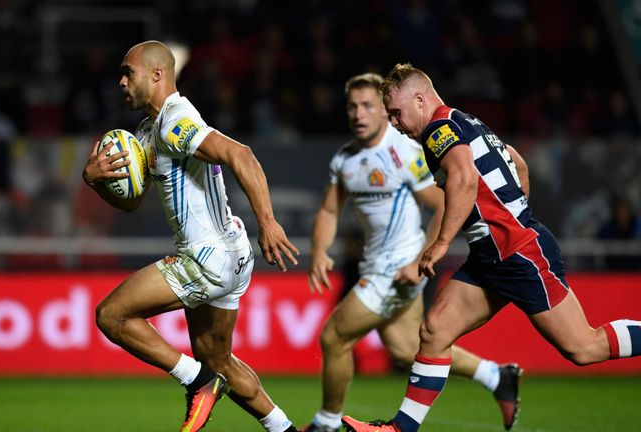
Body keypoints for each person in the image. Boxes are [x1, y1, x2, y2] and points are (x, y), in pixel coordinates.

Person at [341, 63, 641, 432]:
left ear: (419, 100)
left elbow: (465, 180)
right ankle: (399, 429)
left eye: (396, 113)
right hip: (493, 253)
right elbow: (518, 163)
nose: (395, 123)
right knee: (434, 330)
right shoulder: (466, 121)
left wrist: (442, 242)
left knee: (583, 347)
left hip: (518, 253)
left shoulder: (437, 129)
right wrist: (512, 214)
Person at [83, 41, 301, 432]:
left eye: (127, 72)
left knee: (111, 315)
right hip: (233, 255)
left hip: (205, 259)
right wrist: (96, 182)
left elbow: (242, 154)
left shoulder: (174, 121)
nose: (120, 81)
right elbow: (132, 204)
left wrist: (268, 221)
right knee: (220, 361)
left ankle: (198, 382)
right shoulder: (151, 129)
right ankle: (283, 428)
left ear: (156, 75)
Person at [304, 73, 521, 432]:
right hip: (375, 264)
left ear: (384, 111)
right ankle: (497, 376)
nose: (359, 114)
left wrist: (419, 259)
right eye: (352, 106)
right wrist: (319, 252)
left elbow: (443, 202)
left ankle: (325, 423)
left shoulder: (402, 152)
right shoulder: (346, 159)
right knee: (407, 350)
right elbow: (329, 210)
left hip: (397, 268)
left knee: (333, 336)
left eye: (368, 106)